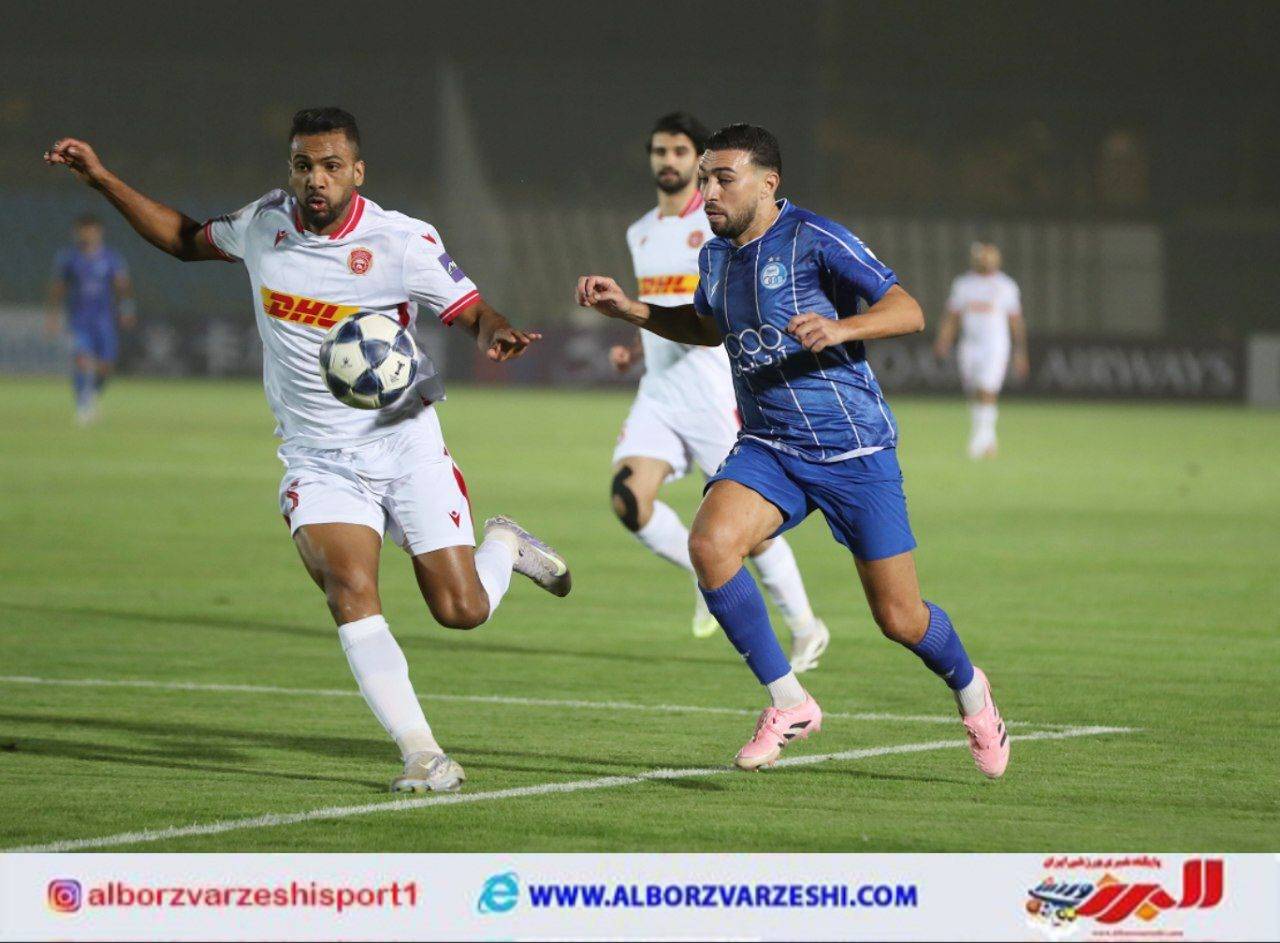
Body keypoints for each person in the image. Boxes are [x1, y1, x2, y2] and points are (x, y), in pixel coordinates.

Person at [45, 107, 572, 794]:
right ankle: (422, 753)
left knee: (461, 609)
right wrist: (104, 180)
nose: (315, 179)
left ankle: (502, 542)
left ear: (358, 171)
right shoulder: (264, 224)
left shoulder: (401, 240)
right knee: (349, 588)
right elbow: (182, 239)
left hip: (406, 445)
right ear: (290, 170)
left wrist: (494, 332)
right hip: (319, 459)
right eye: (302, 165)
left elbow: (470, 308)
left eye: (330, 166)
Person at [576, 124, 1009, 778]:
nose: (708, 192)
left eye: (724, 179)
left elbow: (908, 309)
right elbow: (705, 326)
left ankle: (974, 693)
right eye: (705, 179)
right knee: (710, 545)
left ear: (767, 184)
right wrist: (632, 311)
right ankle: (790, 701)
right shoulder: (715, 256)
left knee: (900, 617)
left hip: (852, 449)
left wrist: (842, 326)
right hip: (769, 445)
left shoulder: (814, 237)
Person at [611, 112, 828, 669]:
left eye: (680, 152)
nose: (668, 161)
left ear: (699, 161)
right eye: (660, 151)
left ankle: (806, 627)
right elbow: (666, 307)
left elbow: (716, 307)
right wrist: (635, 346)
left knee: (750, 532)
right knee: (629, 500)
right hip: (659, 392)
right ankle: (699, 571)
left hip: (711, 393)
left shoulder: (716, 226)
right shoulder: (640, 231)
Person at [933, 242, 1028, 459]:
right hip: (969, 344)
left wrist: (1020, 351)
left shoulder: (1006, 286)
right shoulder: (964, 284)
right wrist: (944, 340)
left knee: (987, 388)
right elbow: (952, 316)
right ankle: (988, 439)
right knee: (974, 391)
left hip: (995, 345)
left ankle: (979, 440)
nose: (985, 260)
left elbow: (1016, 321)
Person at [45, 215, 136, 424]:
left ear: (99, 232)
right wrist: (52, 316)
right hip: (79, 320)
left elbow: (122, 286)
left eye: (91, 230)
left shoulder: (111, 258)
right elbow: (58, 288)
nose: (87, 234)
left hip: (104, 320)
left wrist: (127, 309)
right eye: (83, 230)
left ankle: (92, 394)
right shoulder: (69, 258)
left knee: (106, 365)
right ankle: (82, 404)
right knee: (82, 359)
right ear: (76, 232)